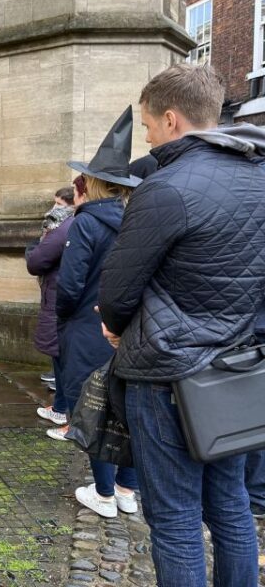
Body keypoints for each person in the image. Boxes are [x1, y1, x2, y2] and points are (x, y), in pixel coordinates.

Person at [99, 64, 265, 586]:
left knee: (173, 519)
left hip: (167, 372)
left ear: (171, 119)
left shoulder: (165, 187)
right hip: (237, 365)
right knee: (231, 505)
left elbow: (117, 290)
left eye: (147, 125)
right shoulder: (260, 177)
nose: (145, 136)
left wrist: (114, 326)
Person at [54, 106, 141, 518]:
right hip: (129, 330)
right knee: (130, 410)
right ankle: (126, 489)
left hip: (88, 328)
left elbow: (68, 287)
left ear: (92, 183)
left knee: (94, 408)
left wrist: (64, 319)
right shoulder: (138, 221)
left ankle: (104, 494)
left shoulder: (85, 225)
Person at [27, 184, 75, 430]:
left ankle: (65, 413)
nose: (54, 208)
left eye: (59, 203)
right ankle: (60, 406)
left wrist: (34, 250)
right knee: (60, 357)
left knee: (65, 358)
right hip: (59, 295)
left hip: (60, 297)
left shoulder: (65, 226)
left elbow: (38, 260)